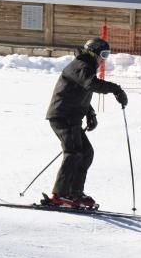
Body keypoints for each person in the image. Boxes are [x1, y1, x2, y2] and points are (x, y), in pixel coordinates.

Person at [43, 37, 128, 209]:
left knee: (86, 152)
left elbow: (81, 92)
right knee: (73, 152)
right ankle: (59, 195)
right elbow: (90, 84)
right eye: (103, 54)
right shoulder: (80, 65)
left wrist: (90, 113)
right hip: (62, 116)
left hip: (72, 117)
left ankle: (74, 193)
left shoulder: (86, 67)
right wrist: (115, 89)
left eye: (107, 55)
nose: (104, 58)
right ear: (92, 52)